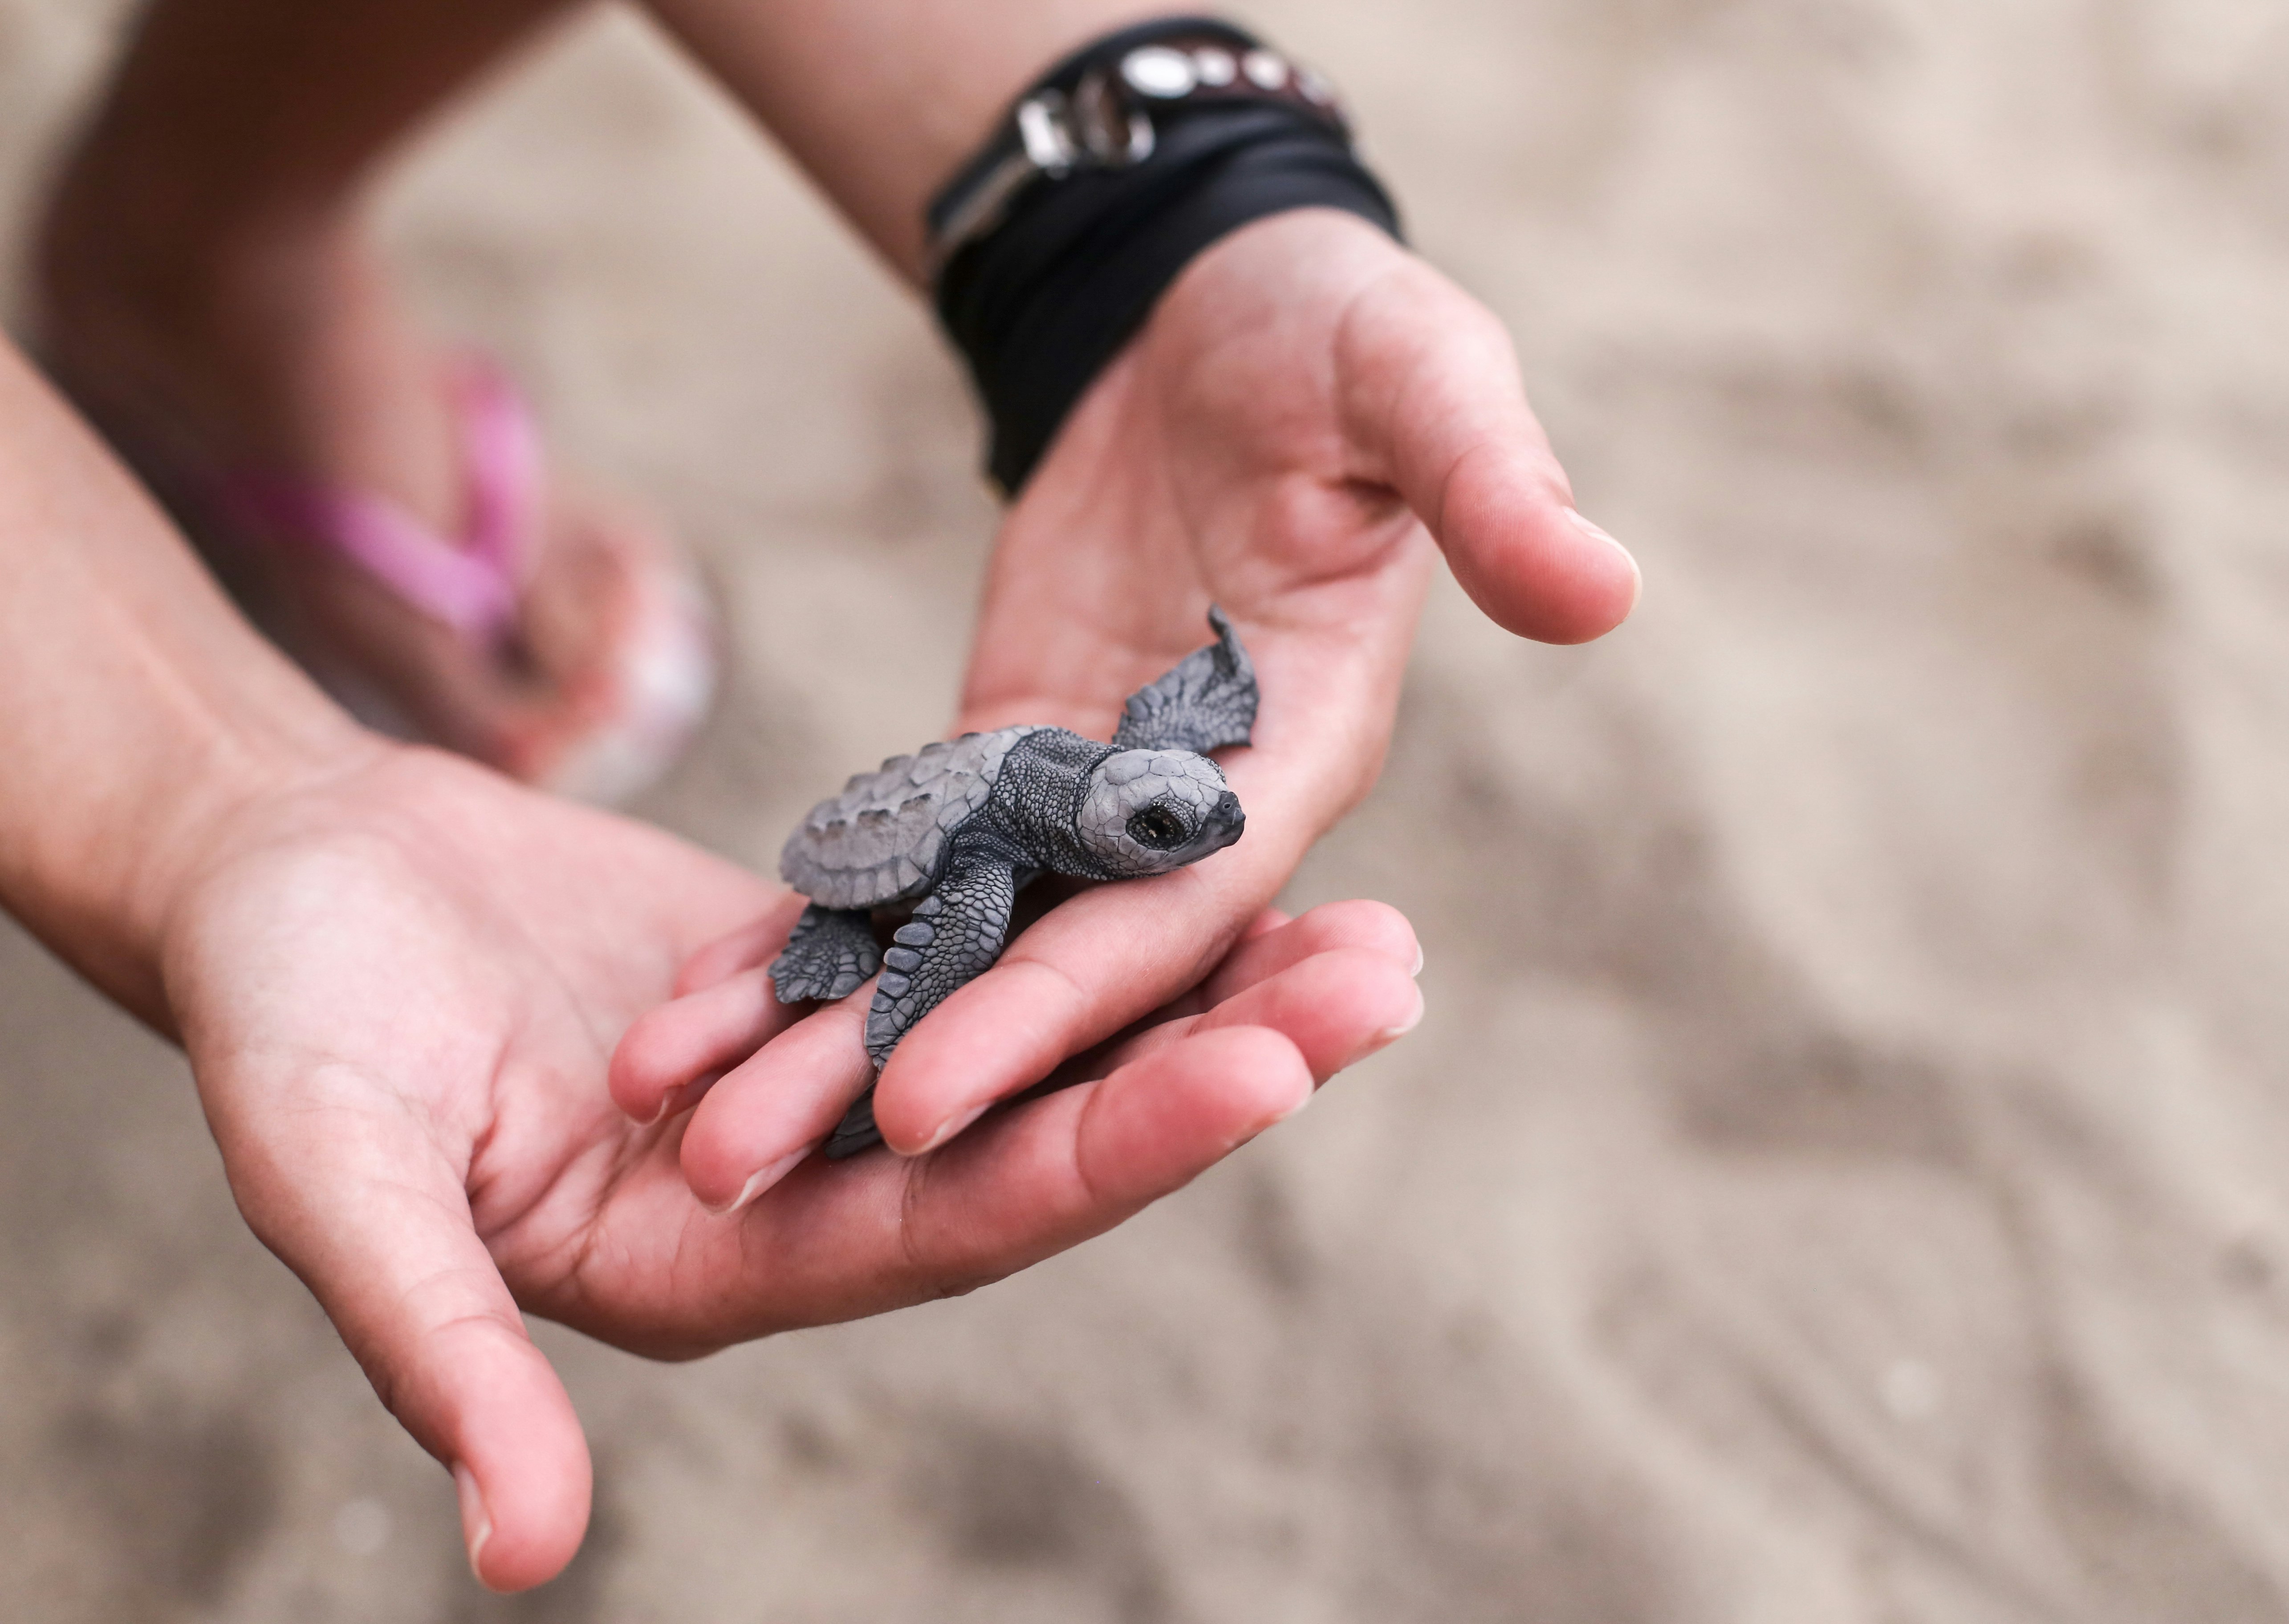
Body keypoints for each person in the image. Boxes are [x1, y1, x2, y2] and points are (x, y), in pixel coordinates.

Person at [13, 0, 1638, 1593]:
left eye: (1179, 807)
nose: (1202, 826)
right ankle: (183, 286)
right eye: (1168, 827)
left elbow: (1178, 747)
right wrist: (198, 799)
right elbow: (943, 942)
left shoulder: (1137, 757)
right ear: (1090, 832)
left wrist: (1157, 217)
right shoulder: (998, 867)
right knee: (882, 984)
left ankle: (196, 245)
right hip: (873, 854)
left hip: (988, 780)